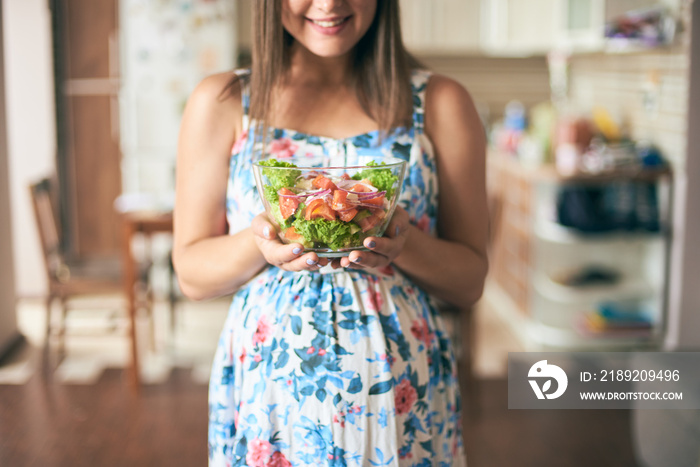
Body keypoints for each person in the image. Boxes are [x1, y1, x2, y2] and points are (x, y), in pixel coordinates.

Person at [173, 0, 488, 465]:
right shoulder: (223, 101)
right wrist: (265, 240)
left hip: (402, 391)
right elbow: (192, 275)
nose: (329, 3)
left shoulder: (440, 102)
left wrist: (403, 241)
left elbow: (470, 281)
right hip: (271, 393)